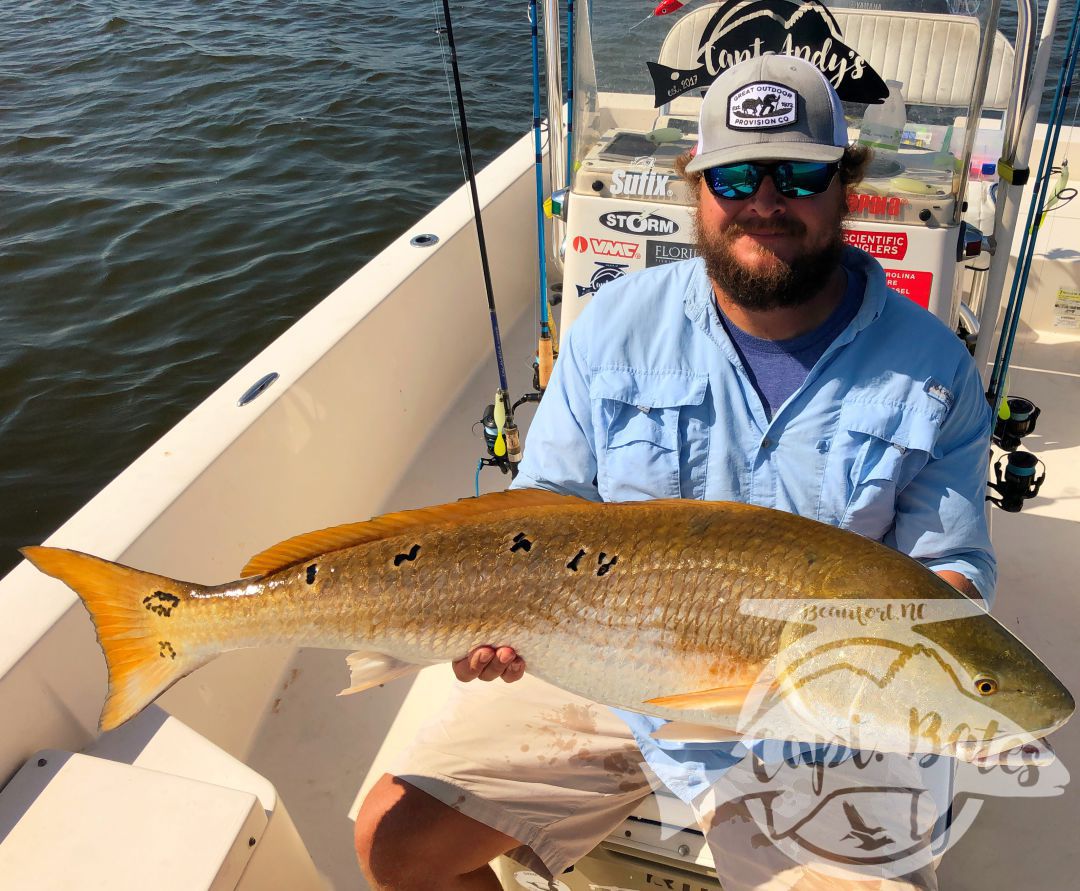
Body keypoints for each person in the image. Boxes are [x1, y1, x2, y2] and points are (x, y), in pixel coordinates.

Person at [354, 54, 995, 890]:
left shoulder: (932, 368)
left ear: (847, 189)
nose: (765, 202)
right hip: (602, 661)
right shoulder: (613, 326)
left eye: (799, 173)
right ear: (697, 189)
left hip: (811, 713)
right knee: (393, 843)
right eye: (733, 176)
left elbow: (952, 570)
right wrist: (491, 617)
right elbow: (545, 510)